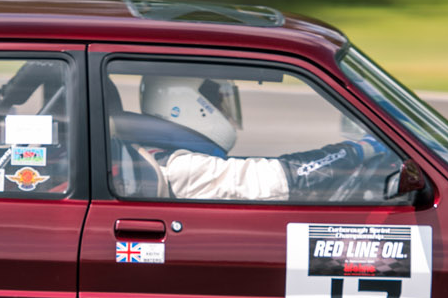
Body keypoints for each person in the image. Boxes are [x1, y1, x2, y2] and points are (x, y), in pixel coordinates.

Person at [113, 75, 398, 202]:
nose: (225, 111)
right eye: (220, 100)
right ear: (190, 102)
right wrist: (363, 148)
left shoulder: (152, 152)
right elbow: (291, 177)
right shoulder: (182, 168)